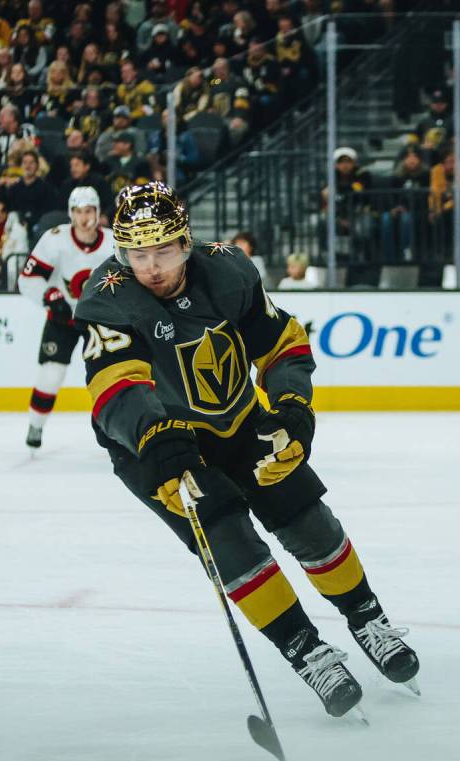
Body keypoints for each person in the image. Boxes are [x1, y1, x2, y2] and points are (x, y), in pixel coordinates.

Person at [74, 182, 420, 718]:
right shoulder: (107, 298)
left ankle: (367, 618)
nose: (152, 267)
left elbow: (282, 343)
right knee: (227, 536)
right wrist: (157, 440)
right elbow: (117, 389)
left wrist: (292, 409)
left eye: (163, 250)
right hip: (156, 445)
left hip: (238, 419)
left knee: (306, 517)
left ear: (185, 243)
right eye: (137, 254)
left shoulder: (228, 269)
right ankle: (307, 652)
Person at [18, 186, 114, 449]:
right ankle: (35, 425)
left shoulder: (113, 242)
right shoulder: (54, 240)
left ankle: (113, 431)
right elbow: (27, 280)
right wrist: (49, 295)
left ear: (98, 212)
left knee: (109, 376)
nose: (84, 218)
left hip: (100, 321)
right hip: (63, 318)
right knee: (51, 374)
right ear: (71, 214)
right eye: (78, 211)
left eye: (89, 211)